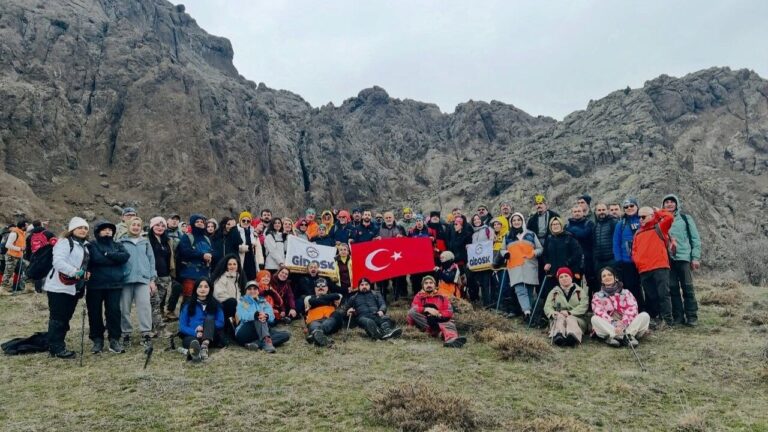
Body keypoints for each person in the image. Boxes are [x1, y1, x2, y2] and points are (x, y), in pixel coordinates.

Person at [44, 217, 90, 359]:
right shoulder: (64, 242)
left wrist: (84, 274)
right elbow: (58, 262)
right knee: (58, 317)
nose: (83, 230)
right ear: (72, 229)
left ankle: (57, 344)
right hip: (58, 287)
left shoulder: (85, 245)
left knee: (65, 317)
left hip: (74, 287)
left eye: (85, 228)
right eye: (80, 227)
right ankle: (56, 349)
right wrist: (76, 272)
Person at [86, 221, 130, 354]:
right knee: (94, 312)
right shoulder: (92, 245)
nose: (107, 232)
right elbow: (97, 259)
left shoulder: (118, 244)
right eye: (104, 230)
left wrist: (108, 255)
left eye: (110, 230)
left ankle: (114, 339)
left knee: (114, 312)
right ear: (98, 232)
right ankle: (97, 340)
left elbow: (125, 256)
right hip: (95, 284)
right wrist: (114, 259)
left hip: (114, 284)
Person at [662, 194, 702, 326]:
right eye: (666, 202)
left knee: (687, 288)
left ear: (676, 204)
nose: (669, 204)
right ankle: (678, 316)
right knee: (672, 289)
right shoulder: (661, 219)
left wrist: (695, 257)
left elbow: (695, 238)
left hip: (684, 257)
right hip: (668, 259)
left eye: (672, 202)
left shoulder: (685, 218)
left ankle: (691, 316)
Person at [632, 206, 675, 327]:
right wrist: (638, 262)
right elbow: (634, 250)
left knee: (663, 294)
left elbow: (670, 217)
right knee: (651, 296)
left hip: (659, 266)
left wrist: (658, 212)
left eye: (643, 216)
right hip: (644, 269)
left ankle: (667, 320)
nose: (640, 219)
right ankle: (657, 318)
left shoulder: (660, 227)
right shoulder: (638, 232)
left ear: (652, 216)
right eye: (639, 217)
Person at [118, 217, 157, 347]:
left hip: (143, 279)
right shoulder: (121, 242)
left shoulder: (145, 242)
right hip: (126, 279)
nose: (136, 227)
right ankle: (126, 334)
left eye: (138, 225)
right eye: (133, 225)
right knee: (124, 308)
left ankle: (146, 333)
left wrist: (152, 279)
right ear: (128, 226)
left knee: (145, 307)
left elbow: (151, 261)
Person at [591, 267, 650, 347]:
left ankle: (624, 336)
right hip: (610, 324)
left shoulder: (626, 292)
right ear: (601, 280)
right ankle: (625, 337)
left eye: (609, 275)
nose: (607, 277)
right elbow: (599, 312)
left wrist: (623, 324)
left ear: (615, 277)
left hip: (627, 323)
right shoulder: (597, 296)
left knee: (644, 315)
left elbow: (632, 309)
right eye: (604, 276)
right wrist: (614, 323)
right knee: (594, 319)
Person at [501, 212, 543, 323]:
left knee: (529, 291)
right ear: (511, 222)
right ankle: (527, 313)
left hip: (530, 265)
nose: (516, 222)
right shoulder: (507, 235)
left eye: (518, 220)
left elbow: (540, 249)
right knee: (520, 290)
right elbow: (502, 249)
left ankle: (528, 312)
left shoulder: (531, 234)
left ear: (522, 221)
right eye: (514, 220)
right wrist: (505, 253)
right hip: (515, 266)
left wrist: (533, 253)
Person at [407, 276, 467, 348]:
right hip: (425, 323)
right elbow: (414, 309)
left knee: (450, 324)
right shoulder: (419, 296)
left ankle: (451, 340)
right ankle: (438, 332)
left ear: (434, 285)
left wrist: (439, 314)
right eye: (426, 283)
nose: (428, 285)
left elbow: (449, 311)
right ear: (423, 285)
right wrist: (426, 309)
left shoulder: (442, 296)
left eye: (431, 283)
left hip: (439, 321)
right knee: (412, 312)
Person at [234, 280, 290, 353]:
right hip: (246, 331)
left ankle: (255, 344)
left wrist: (266, 316)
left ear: (258, 291)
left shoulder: (263, 302)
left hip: (261, 330)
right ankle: (267, 343)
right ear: (246, 291)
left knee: (285, 335)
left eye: (255, 289)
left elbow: (271, 315)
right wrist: (256, 315)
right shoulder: (244, 302)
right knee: (259, 318)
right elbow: (243, 315)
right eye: (249, 289)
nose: (252, 291)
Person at [178, 278, 226, 362]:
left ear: (210, 289)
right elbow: (182, 326)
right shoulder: (187, 305)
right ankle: (194, 353)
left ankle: (203, 347)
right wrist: (195, 333)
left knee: (210, 319)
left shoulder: (216, 304)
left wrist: (205, 327)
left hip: (212, 336)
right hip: (193, 335)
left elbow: (221, 322)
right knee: (192, 342)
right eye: (200, 286)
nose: (203, 289)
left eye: (206, 287)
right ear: (196, 289)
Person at [543, 267, 589, 347]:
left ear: (571, 277)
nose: (564, 278)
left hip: (577, 318)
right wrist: (553, 313)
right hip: (559, 317)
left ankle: (572, 337)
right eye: (561, 277)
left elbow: (584, 306)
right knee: (559, 318)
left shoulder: (580, 291)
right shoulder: (554, 292)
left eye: (566, 276)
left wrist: (570, 313)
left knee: (570, 318)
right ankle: (558, 335)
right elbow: (547, 306)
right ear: (558, 279)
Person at [613, 198, 644, 311]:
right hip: (628, 262)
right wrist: (618, 259)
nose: (629, 208)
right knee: (632, 288)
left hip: (644, 261)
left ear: (637, 207)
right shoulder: (620, 224)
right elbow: (616, 242)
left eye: (632, 206)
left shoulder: (643, 220)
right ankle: (635, 311)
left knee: (648, 287)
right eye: (626, 207)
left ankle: (650, 312)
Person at [147, 217, 175, 338]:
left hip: (165, 276)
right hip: (152, 276)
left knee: (158, 304)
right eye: (157, 225)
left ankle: (152, 328)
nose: (160, 228)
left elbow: (171, 258)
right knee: (154, 303)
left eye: (163, 226)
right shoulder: (146, 240)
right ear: (152, 226)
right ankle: (160, 329)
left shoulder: (167, 241)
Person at [542, 216, 583, 292]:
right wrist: (546, 263)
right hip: (553, 273)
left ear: (561, 225)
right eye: (553, 224)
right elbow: (545, 254)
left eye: (557, 224)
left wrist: (567, 262)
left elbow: (577, 253)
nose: (555, 226)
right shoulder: (549, 239)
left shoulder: (569, 237)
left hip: (568, 272)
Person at [177, 214, 213, 299]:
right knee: (188, 299)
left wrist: (210, 256)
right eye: (197, 222)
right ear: (193, 223)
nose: (200, 223)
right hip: (190, 274)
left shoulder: (207, 238)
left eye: (202, 222)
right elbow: (185, 252)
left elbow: (211, 251)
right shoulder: (187, 237)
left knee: (203, 299)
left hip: (204, 274)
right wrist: (202, 255)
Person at [375, 211, 407, 300]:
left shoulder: (400, 228)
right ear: (384, 219)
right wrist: (376, 239)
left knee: (397, 277)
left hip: (396, 256)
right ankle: (383, 296)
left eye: (390, 217)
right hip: (383, 256)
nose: (388, 219)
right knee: (383, 278)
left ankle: (397, 296)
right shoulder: (378, 228)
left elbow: (407, 240)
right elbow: (373, 241)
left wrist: (402, 238)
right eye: (387, 218)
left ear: (393, 218)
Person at [303, 278, 344, 347]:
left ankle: (316, 334)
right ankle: (318, 335)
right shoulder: (309, 298)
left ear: (327, 288)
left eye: (323, 286)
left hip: (331, 321)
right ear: (315, 289)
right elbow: (313, 301)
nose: (320, 287)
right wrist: (328, 297)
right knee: (314, 326)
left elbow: (338, 295)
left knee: (337, 314)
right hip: (315, 321)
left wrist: (324, 297)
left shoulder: (334, 296)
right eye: (318, 286)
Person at [566, 205, 596, 292]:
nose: (577, 213)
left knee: (592, 283)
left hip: (589, 258)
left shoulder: (589, 223)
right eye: (575, 212)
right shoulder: (567, 226)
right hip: (574, 260)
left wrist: (573, 230)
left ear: (583, 212)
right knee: (574, 283)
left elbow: (584, 234)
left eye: (579, 211)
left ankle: (591, 303)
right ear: (572, 213)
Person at [211, 254, 246, 326]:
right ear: (226, 266)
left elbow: (243, 296)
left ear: (238, 266)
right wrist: (237, 305)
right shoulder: (221, 278)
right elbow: (219, 295)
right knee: (231, 302)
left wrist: (244, 306)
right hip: (224, 307)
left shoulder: (240, 279)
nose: (232, 266)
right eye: (229, 264)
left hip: (236, 309)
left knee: (248, 305)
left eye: (234, 264)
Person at [467, 213, 494, 304]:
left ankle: (488, 303)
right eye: (474, 220)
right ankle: (484, 302)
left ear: (481, 220)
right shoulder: (473, 234)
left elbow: (492, 241)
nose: (476, 221)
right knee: (481, 283)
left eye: (478, 219)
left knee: (487, 283)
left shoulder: (488, 229)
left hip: (486, 261)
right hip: (478, 262)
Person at [25, 220, 56, 293]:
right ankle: (48, 288)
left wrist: (29, 258)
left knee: (37, 272)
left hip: (35, 256)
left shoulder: (30, 236)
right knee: (49, 271)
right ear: (41, 225)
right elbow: (55, 243)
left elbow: (28, 248)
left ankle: (38, 290)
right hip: (48, 255)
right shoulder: (48, 233)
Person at [592, 203, 617, 284]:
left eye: (603, 210)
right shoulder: (595, 225)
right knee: (601, 285)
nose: (601, 212)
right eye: (599, 210)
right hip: (599, 262)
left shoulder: (613, 223)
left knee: (615, 283)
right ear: (595, 212)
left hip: (612, 260)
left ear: (608, 211)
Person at [1, 220, 28, 294]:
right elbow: (8, 245)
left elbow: (32, 227)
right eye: (26, 225)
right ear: (22, 227)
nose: (27, 226)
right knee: (8, 273)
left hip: (18, 256)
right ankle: (3, 290)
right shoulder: (14, 233)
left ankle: (15, 287)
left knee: (18, 272)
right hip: (11, 256)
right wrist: (20, 249)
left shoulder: (22, 232)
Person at [237, 211, 264, 280]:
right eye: (243, 220)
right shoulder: (236, 232)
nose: (246, 222)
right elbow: (234, 246)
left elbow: (258, 249)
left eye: (248, 221)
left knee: (252, 279)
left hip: (252, 259)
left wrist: (261, 262)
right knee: (241, 280)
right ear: (240, 221)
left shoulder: (253, 233)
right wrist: (246, 248)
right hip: (240, 259)